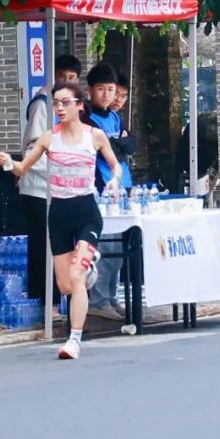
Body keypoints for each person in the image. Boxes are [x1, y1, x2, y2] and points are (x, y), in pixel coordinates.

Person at [0, 82, 122, 359]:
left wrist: (114, 180)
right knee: (66, 285)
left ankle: (74, 340)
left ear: (80, 105)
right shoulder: (48, 138)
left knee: (75, 276)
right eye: (56, 103)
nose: (60, 108)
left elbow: (115, 165)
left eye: (66, 103)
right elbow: (23, 168)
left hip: (86, 213)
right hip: (58, 215)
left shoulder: (95, 136)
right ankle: (89, 270)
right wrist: (7, 163)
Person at [18, 54, 81, 305]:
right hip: (38, 189)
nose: (67, 82)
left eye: (72, 78)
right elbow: (33, 152)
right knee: (43, 248)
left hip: (59, 190)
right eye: (62, 77)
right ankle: (44, 301)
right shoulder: (43, 104)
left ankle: (55, 299)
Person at [84, 64, 136, 320]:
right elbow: (109, 150)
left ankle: (110, 297)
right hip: (100, 190)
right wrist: (118, 145)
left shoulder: (114, 118)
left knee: (118, 252)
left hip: (121, 189)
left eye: (111, 90)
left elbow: (131, 144)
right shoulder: (86, 118)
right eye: (101, 89)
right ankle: (98, 300)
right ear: (90, 90)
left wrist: (119, 145)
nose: (107, 95)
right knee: (105, 248)